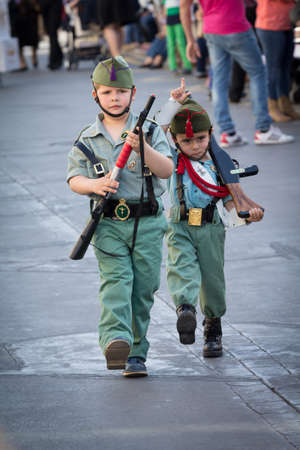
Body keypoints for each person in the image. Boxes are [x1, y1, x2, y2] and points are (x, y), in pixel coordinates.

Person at [67, 56, 173, 377]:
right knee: (116, 283)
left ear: (133, 93)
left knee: (142, 288)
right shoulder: (87, 138)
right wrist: (95, 184)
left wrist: (143, 148)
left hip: (149, 224)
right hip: (109, 225)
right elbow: (75, 179)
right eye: (107, 92)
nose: (115, 98)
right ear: (95, 95)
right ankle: (116, 340)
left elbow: (168, 169)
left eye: (121, 92)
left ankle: (136, 353)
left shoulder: (150, 132)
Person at [157, 78, 263, 357]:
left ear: (211, 134)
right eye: (186, 140)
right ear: (176, 140)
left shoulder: (220, 164)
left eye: (201, 138)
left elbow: (230, 199)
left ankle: (212, 326)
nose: (194, 145)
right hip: (179, 225)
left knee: (213, 280)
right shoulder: (171, 158)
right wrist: (172, 105)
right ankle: (186, 311)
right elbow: (153, 133)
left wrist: (246, 214)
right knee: (181, 269)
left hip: (211, 227)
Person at [179, 0, 294, 147]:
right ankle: (264, 129)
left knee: (219, 80)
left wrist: (190, 40)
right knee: (258, 73)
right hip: (235, 26)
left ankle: (227, 132)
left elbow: (184, 6)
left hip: (212, 29)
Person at [255, 0, 300, 120]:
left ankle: (285, 105)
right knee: (273, 69)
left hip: (287, 23)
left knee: (285, 68)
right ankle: (272, 107)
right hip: (270, 25)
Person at [163, 0, 193, 75]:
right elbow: (164, 9)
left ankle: (187, 65)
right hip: (169, 19)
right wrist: (164, 24)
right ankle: (173, 66)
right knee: (170, 44)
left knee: (181, 43)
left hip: (178, 18)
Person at [8, 0, 40, 70]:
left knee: (33, 38)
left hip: (30, 16)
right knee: (19, 41)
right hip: (17, 18)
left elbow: (37, 8)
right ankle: (22, 61)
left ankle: (34, 55)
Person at [38, 0, 63, 70]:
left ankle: (53, 60)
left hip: (54, 8)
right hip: (45, 9)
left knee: (52, 34)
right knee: (51, 34)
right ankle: (58, 56)